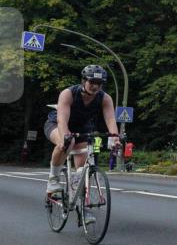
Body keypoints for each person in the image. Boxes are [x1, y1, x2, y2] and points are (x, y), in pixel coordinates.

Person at [44, 65, 120, 224]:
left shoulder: (104, 98)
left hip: (82, 129)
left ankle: (82, 208)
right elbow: (62, 119)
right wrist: (65, 137)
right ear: (84, 80)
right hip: (57, 125)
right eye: (92, 81)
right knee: (67, 142)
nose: (95, 86)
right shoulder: (69, 93)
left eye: (99, 83)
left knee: (82, 172)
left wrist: (115, 138)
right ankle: (53, 179)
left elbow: (111, 119)